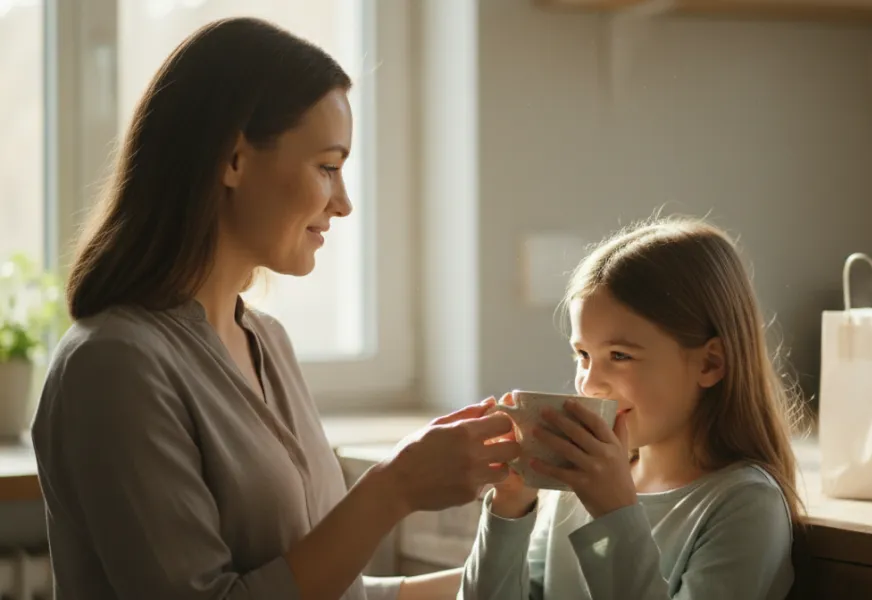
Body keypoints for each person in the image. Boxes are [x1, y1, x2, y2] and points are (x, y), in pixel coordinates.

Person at [29, 17, 518, 600]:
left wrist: (525, 564)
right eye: (328, 167)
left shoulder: (267, 341)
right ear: (233, 159)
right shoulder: (114, 365)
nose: (343, 203)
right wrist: (395, 487)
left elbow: (334, 591)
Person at [459, 215, 805, 600]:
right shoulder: (576, 487)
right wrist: (509, 509)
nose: (589, 383)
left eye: (620, 355)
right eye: (583, 354)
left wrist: (614, 514)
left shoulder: (745, 506)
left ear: (710, 363)